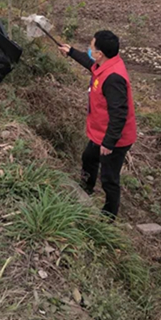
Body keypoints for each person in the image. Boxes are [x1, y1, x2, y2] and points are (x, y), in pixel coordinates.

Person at [59, 31, 137, 219]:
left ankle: (108, 216)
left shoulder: (113, 78)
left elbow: (119, 114)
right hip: (99, 133)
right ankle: (86, 188)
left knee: (109, 178)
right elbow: (91, 65)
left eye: (92, 46)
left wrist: (109, 143)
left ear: (100, 53)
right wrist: (71, 52)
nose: (90, 48)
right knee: (88, 158)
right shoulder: (106, 64)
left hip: (114, 140)